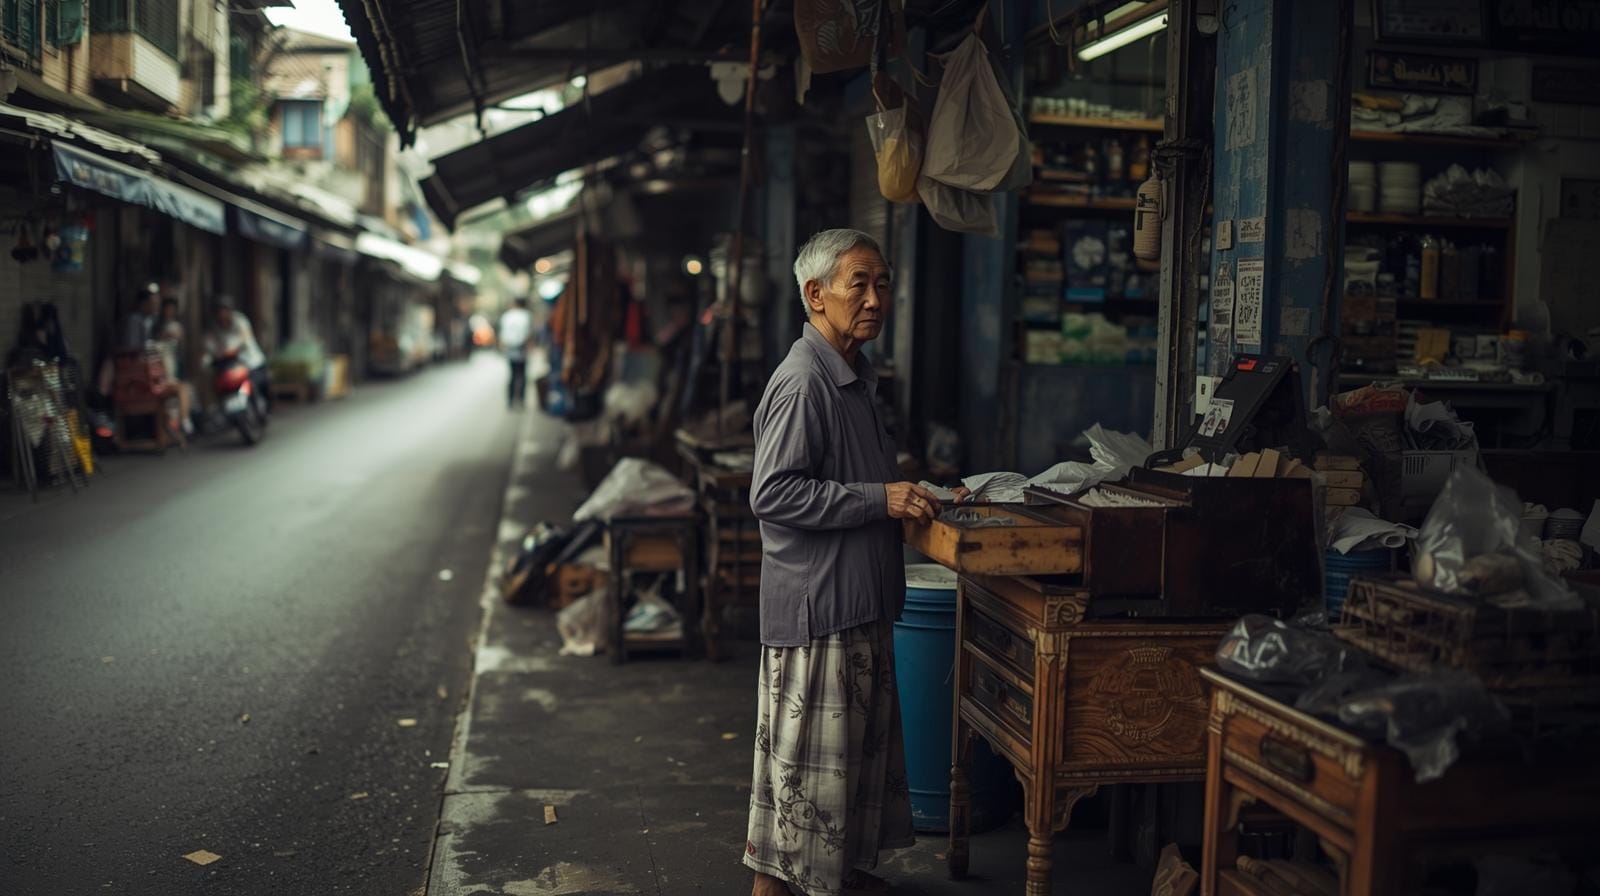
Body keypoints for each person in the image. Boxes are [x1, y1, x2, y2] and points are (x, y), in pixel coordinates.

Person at [744, 229, 966, 896]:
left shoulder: (854, 376)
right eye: (859, 284)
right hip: (821, 612)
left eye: (883, 284)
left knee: (831, 777)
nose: (876, 299)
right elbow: (774, 492)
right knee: (808, 779)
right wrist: (881, 497)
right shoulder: (804, 381)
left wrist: (911, 496)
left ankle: (825, 880)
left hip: (858, 600)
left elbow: (854, 481)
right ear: (816, 295)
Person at [204, 296, 269, 408]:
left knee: (254, 384)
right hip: (229, 365)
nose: (222, 314)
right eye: (219, 311)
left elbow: (245, 337)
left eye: (224, 310)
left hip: (250, 362)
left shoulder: (239, 321)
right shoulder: (215, 329)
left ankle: (258, 405)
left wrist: (232, 350)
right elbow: (209, 346)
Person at [155, 298, 194, 435]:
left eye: (172, 309)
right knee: (180, 390)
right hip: (160, 372)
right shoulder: (156, 326)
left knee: (184, 390)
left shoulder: (176, 326)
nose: (170, 311)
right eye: (168, 308)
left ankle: (183, 421)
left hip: (172, 366)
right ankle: (181, 423)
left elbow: (179, 341)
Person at [498, 297, 534, 408]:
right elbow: (528, 333)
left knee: (512, 375)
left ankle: (510, 400)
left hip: (510, 348)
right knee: (522, 375)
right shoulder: (526, 315)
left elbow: (502, 335)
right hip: (521, 348)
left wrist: (502, 347)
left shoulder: (506, 316)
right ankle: (521, 400)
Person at [120, 283, 160, 348]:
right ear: (144, 303)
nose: (156, 307)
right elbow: (133, 346)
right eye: (154, 303)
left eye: (157, 304)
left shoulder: (150, 319)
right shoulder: (134, 320)